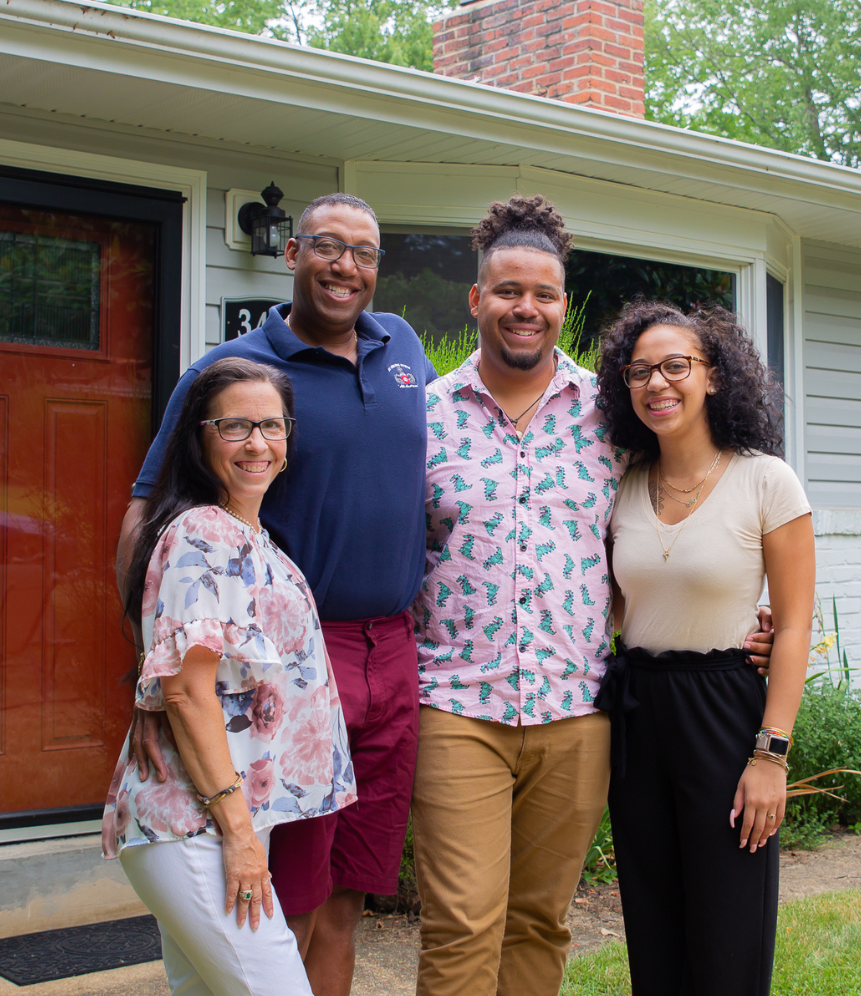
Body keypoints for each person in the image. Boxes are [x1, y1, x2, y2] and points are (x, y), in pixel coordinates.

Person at [409, 197, 775, 996]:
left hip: (576, 709)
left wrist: (748, 614)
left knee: (541, 923)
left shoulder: (610, 420)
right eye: (507, 290)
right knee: (464, 920)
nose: (525, 308)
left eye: (542, 294)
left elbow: (682, 513)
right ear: (477, 299)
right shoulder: (424, 417)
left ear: (563, 306)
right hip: (455, 703)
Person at [117, 193, 433, 996]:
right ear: (291, 253)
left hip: (391, 651)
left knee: (349, 892)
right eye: (328, 247)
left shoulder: (403, 349)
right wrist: (153, 676)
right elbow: (143, 521)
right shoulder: (232, 374)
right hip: (282, 668)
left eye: (364, 252)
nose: (346, 266)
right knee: (279, 895)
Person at [102, 357, 356, 996]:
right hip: (196, 822)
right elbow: (187, 691)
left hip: (226, 817)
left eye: (272, 427)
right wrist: (240, 837)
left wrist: (246, 830)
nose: (258, 443)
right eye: (235, 426)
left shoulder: (251, 536)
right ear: (198, 437)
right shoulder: (201, 534)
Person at [594, 302, 815, 996]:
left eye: (675, 366)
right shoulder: (623, 486)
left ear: (713, 376)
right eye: (640, 371)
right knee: (654, 932)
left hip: (724, 712)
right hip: (638, 714)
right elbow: (618, 608)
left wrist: (769, 756)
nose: (657, 382)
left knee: (727, 934)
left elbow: (796, 623)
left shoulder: (765, 481)